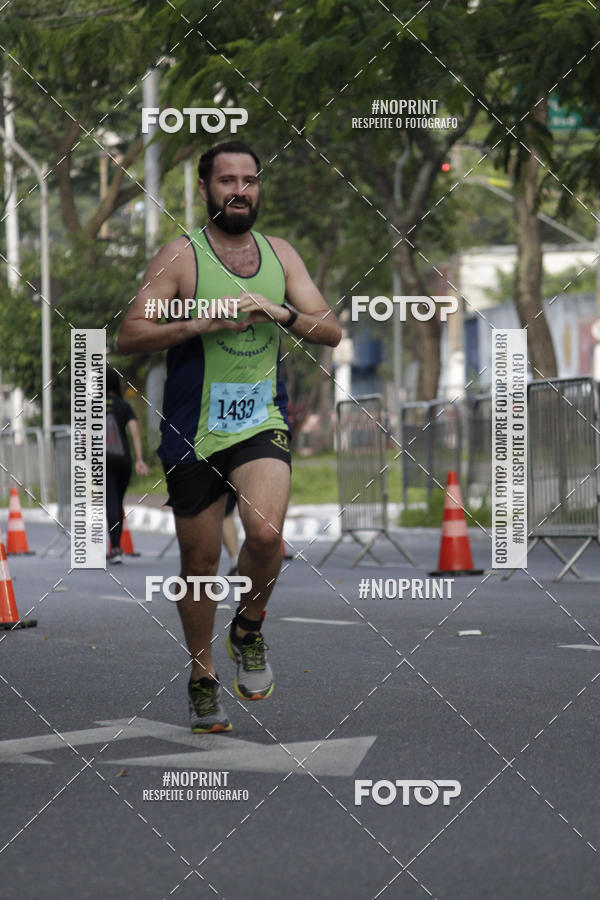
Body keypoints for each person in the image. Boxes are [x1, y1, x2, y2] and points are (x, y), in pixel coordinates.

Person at [118, 140, 341, 732]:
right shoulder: (181, 256)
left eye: (250, 179)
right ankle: (201, 674)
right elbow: (130, 334)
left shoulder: (280, 255)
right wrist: (199, 321)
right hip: (192, 430)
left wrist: (282, 312)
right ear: (205, 190)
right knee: (200, 560)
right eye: (227, 181)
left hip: (259, 421)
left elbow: (331, 329)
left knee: (266, 534)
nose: (240, 190)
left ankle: (248, 627)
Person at [105, 366, 150, 563]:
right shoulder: (124, 406)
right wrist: (139, 459)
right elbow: (135, 433)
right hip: (123, 460)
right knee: (118, 501)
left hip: (102, 460)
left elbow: (85, 435)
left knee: (111, 502)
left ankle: (114, 548)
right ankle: (116, 547)